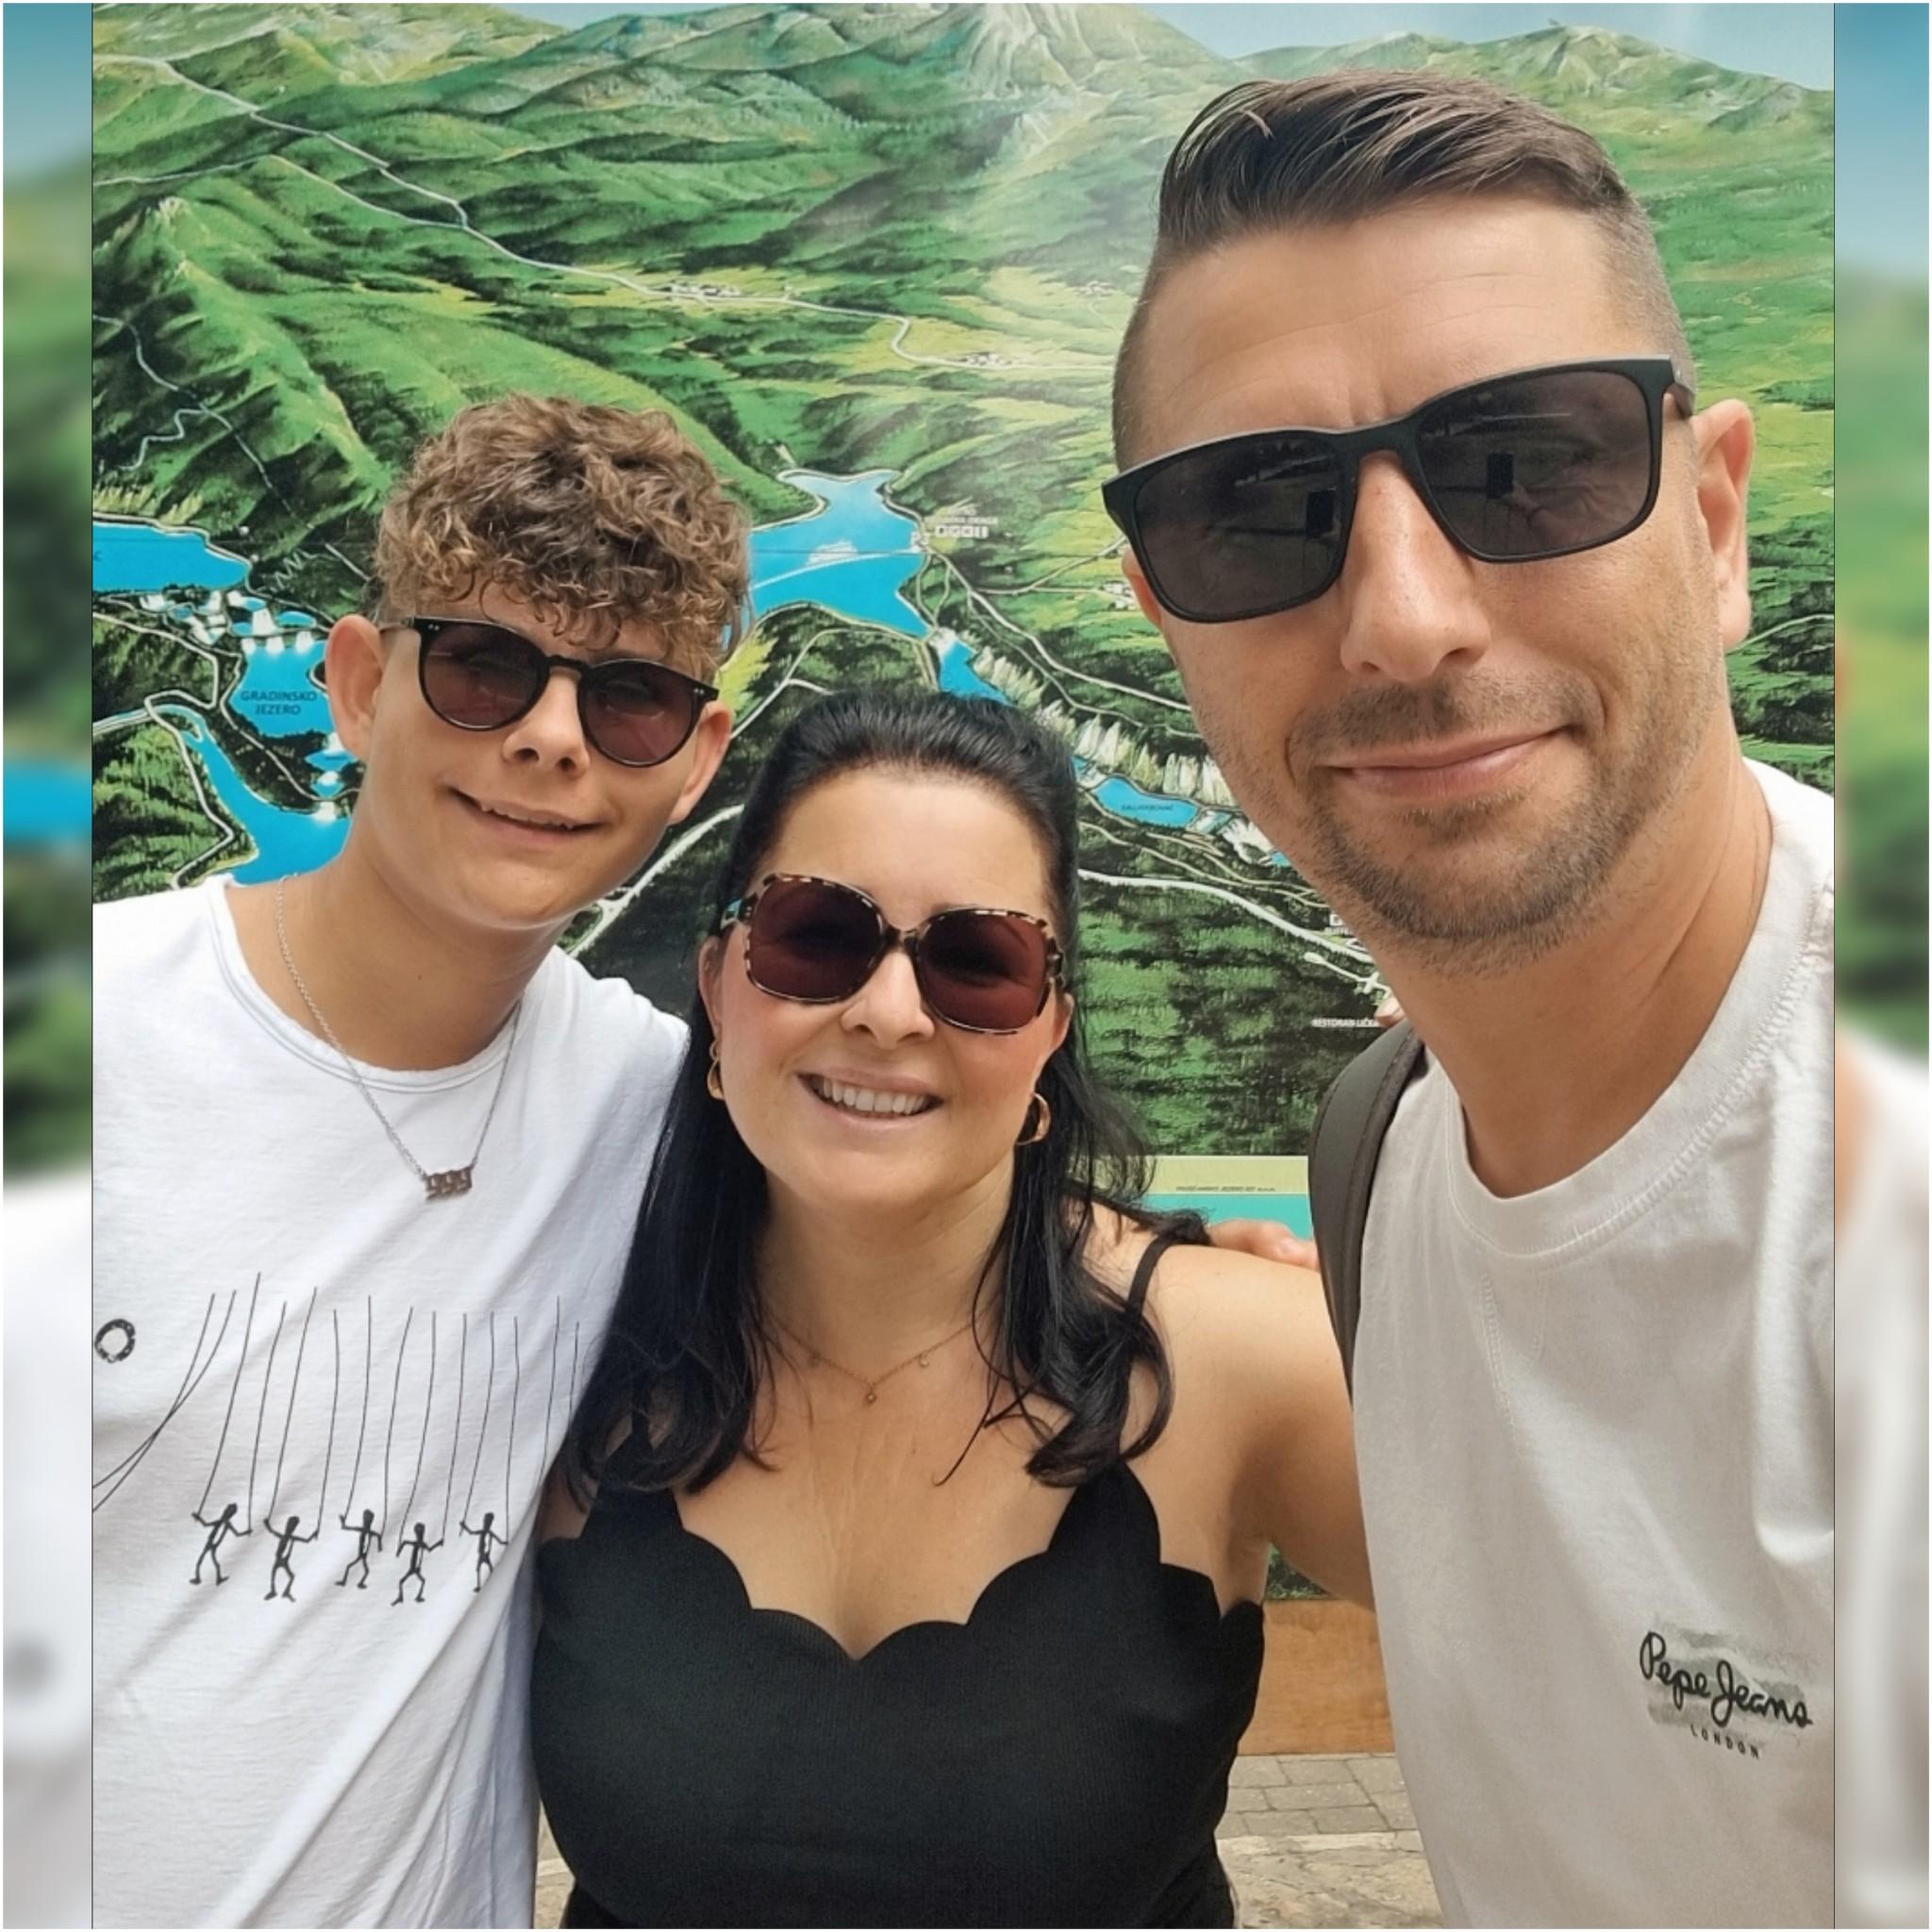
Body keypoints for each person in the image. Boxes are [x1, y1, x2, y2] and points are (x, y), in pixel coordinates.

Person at [1105, 72, 1832, 1925]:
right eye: (1257, 512)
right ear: (1163, 616)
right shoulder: (1384, 1159)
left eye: (1525, 463)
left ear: (1716, 523)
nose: (1404, 616)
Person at [531, 689, 1370, 1929]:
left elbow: (1611, 1649)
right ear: (717, 980)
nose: (888, 1011)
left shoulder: (1234, 1363)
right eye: (816, 937)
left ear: (1049, 1030)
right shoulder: (565, 1334)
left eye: (978, 962)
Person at [92, 393, 742, 1927]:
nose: (549, 736)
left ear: (696, 757)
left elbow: (932, 1232)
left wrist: (1182, 1269)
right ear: (361, 684)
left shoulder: (658, 1111)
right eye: (483, 667)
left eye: (630, 698)